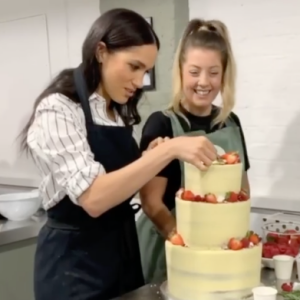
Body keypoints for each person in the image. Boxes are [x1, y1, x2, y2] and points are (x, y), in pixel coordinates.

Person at [19, 9, 218, 300]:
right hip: (73, 266)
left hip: (122, 255)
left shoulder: (114, 111)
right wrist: (170, 150)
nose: (139, 81)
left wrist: (146, 159)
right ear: (101, 51)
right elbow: (95, 198)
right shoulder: (59, 108)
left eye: (145, 71)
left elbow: (120, 184)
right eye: (133, 67)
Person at [137, 18, 251, 284]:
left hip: (220, 253)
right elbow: (152, 204)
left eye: (213, 72)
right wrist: (189, 246)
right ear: (180, 71)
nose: (203, 81)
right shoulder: (161, 123)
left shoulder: (232, 123)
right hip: (169, 252)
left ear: (224, 74)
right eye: (194, 71)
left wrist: (225, 247)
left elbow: (242, 191)